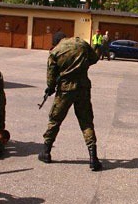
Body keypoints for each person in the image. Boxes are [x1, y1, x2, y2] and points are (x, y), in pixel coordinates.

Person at [39, 32, 102, 171]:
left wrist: (50, 88)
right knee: (86, 122)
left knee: (55, 120)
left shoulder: (55, 51)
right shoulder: (81, 43)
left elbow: (51, 76)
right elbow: (94, 58)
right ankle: (93, 158)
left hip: (65, 89)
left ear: (55, 42)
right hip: (83, 88)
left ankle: (46, 152)